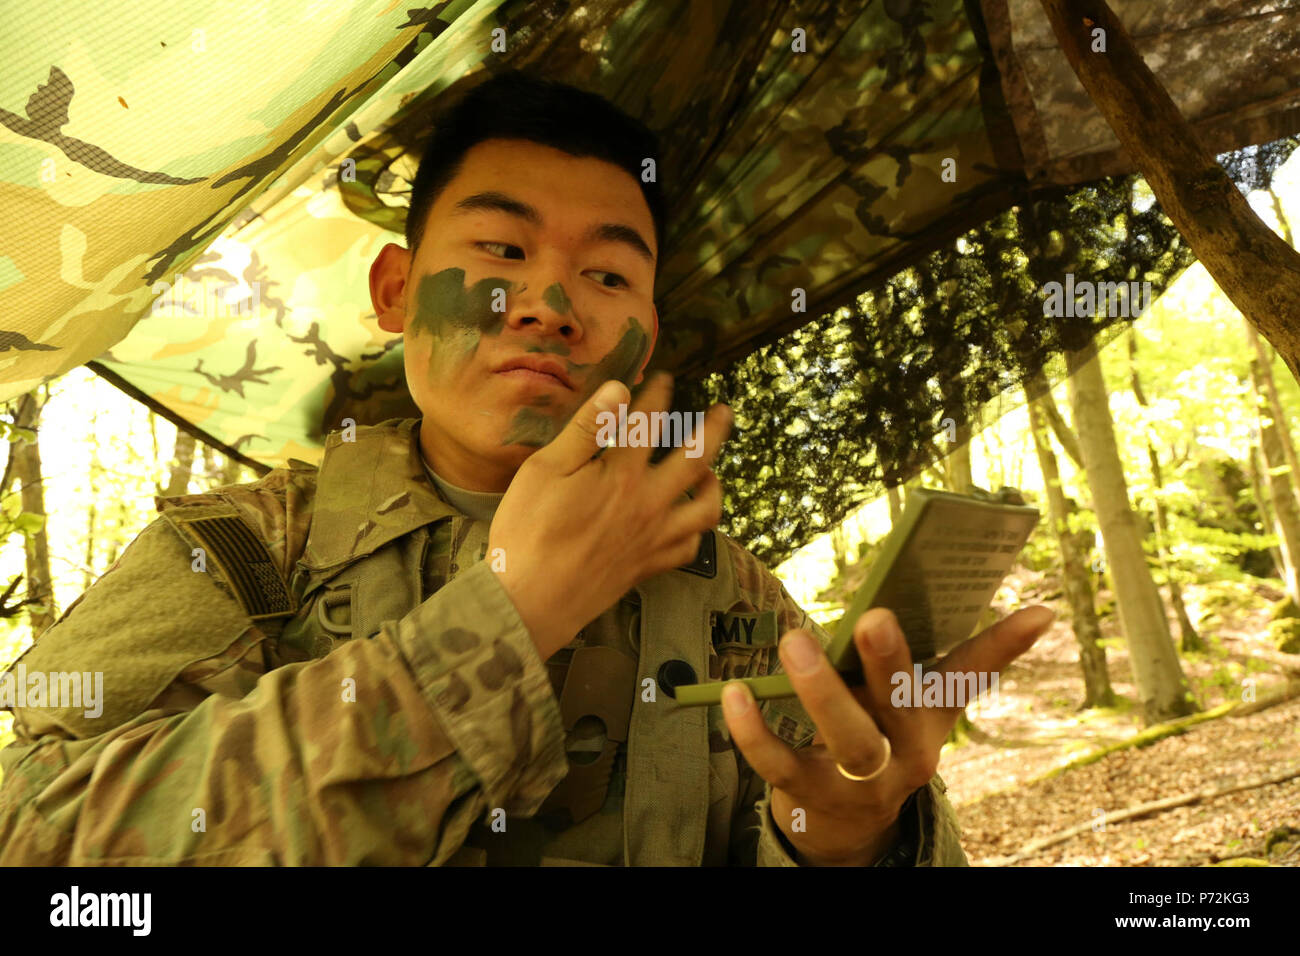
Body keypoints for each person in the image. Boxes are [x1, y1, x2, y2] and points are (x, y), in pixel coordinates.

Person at [0, 69, 1053, 866]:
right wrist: (512, 617)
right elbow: (37, 833)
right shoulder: (240, 552)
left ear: (644, 331)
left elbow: (826, 814)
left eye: (604, 272)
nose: (549, 303)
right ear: (397, 291)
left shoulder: (722, 586)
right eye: (502, 252)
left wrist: (842, 838)